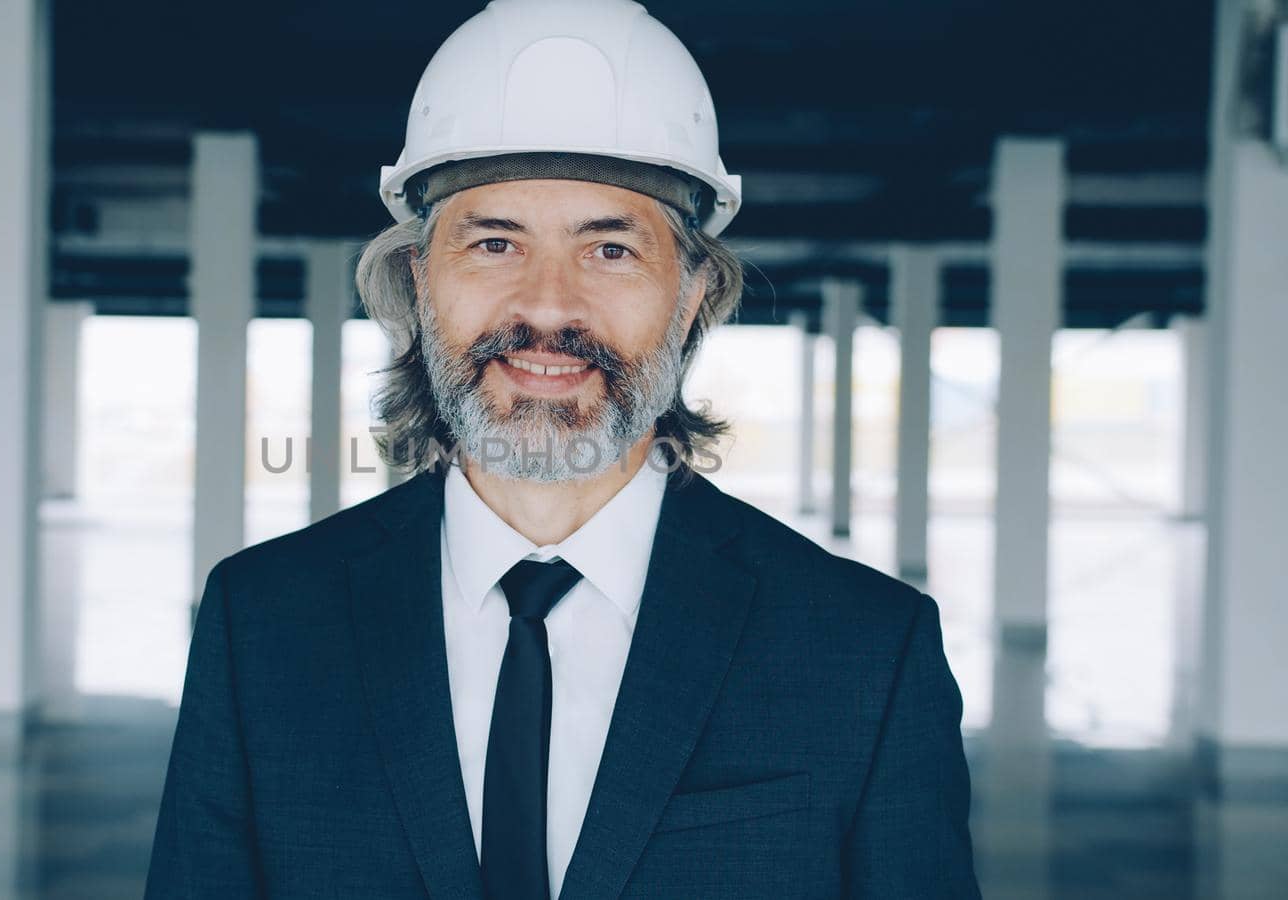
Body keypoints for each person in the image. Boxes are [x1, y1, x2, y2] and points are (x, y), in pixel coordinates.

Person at [146, 1, 981, 897]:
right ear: (421, 278)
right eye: (495, 242)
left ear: (693, 294)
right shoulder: (262, 626)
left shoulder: (863, 651)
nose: (548, 307)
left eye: (611, 249)